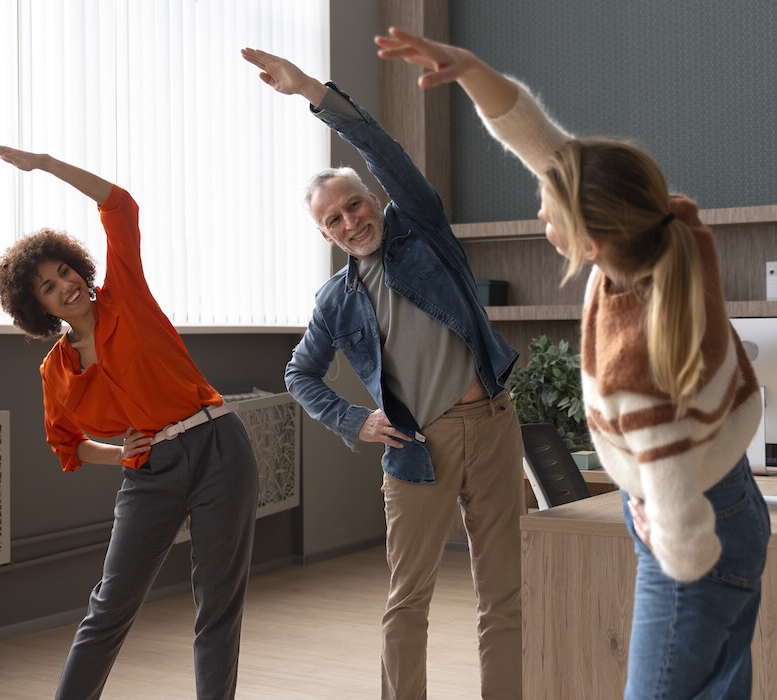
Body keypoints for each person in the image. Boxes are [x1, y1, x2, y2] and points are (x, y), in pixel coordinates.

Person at [375, 27, 770, 698]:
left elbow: (673, 486)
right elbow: (543, 142)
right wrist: (471, 70)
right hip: (733, 497)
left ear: (590, 243)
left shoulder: (634, 355)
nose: (538, 211)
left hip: (691, 534)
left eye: (548, 211)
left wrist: (665, 532)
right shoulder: (668, 227)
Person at [241, 48, 526, 699]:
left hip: (492, 426)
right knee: (408, 602)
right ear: (324, 234)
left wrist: (313, 91)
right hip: (414, 449)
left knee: (502, 595)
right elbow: (300, 374)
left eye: (355, 205)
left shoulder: (420, 229)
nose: (350, 222)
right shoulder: (334, 302)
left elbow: (380, 144)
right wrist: (353, 419)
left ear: (375, 199)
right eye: (333, 219)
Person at [0, 143, 260, 700]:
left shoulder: (125, 295)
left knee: (216, 604)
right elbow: (66, 443)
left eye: (66, 271)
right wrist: (122, 453)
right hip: (150, 473)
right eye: (50, 287)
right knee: (109, 608)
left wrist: (46, 164)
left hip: (217, 447)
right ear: (39, 309)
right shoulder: (55, 370)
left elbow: (121, 206)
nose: (67, 286)